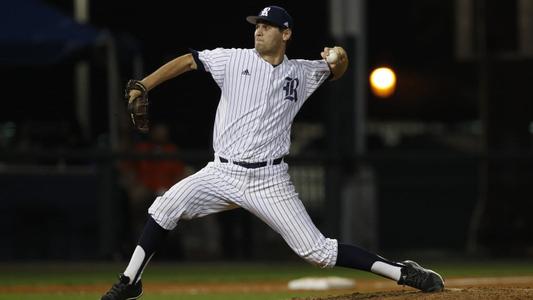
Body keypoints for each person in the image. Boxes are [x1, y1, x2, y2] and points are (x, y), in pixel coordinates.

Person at [101, 6, 444, 300]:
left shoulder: (302, 72)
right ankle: (130, 281)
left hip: (269, 181)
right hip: (221, 173)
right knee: (164, 207)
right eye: (257, 26)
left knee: (318, 252)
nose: (259, 31)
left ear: (286, 34)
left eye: (267, 26)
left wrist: (338, 56)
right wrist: (145, 84)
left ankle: (401, 272)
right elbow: (189, 62)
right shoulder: (233, 60)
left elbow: (337, 67)